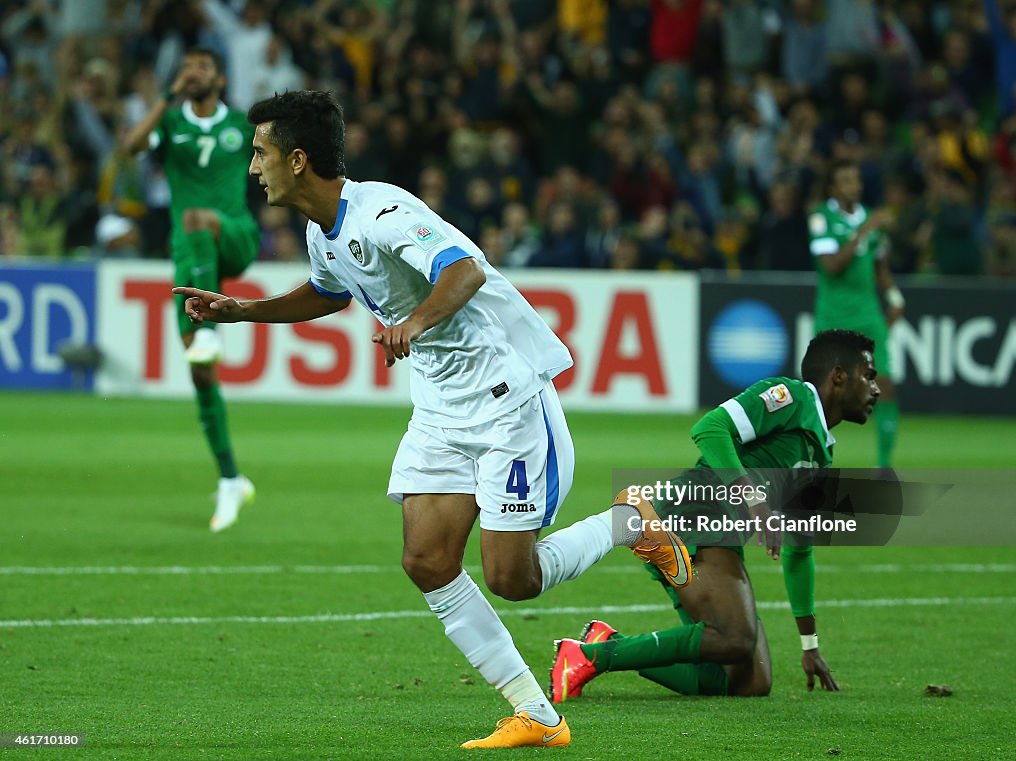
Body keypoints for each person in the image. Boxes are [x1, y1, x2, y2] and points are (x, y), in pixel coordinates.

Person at [172, 89, 690, 749]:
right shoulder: (320, 231)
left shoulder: (384, 211)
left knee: (513, 578)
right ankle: (536, 712)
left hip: (505, 394)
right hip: (442, 404)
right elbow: (330, 290)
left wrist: (412, 323)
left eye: (260, 153)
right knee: (426, 558)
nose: (253, 167)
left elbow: (464, 270)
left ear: (298, 159)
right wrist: (245, 311)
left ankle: (630, 521)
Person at [550, 329, 879, 701]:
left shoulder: (820, 454)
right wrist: (754, 499)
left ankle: (608, 643)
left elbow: (799, 552)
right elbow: (710, 428)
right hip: (690, 514)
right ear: (838, 376)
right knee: (735, 637)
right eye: (868, 376)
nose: (876, 389)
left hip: (715, 532)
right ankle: (586, 657)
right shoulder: (793, 397)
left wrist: (809, 644)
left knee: (750, 681)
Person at [123, 48, 259, 532]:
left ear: (219, 77)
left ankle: (208, 331)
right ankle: (230, 478)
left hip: (235, 234)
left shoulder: (243, 125)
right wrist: (164, 98)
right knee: (202, 373)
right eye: (185, 67)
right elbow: (130, 147)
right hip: (190, 259)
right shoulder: (172, 124)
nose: (191, 73)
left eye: (200, 66)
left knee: (197, 217)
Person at [808, 160, 901, 472]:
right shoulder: (822, 218)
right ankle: (810, 465)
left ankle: (884, 465)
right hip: (832, 317)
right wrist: (864, 230)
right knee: (821, 393)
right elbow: (832, 266)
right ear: (834, 188)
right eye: (845, 181)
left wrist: (895, 298)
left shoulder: (871, 223)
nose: (852, 186)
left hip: (868, 315)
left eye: (855, 180)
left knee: (884, 386)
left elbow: (880, 269)